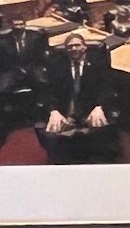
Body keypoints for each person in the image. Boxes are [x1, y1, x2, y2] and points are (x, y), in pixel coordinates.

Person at [39, 35, 114, 164]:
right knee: (53, 143)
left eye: (77, 45)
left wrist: (100, 106)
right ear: (66, 49)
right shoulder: (56, 66)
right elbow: (47, 91)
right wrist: (53, 111)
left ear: (84, 47)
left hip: (90, 112)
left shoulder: (97, 63)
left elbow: (108, 88)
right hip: (65, 113)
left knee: (100, 147)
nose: (74, 49)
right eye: (70, 46)